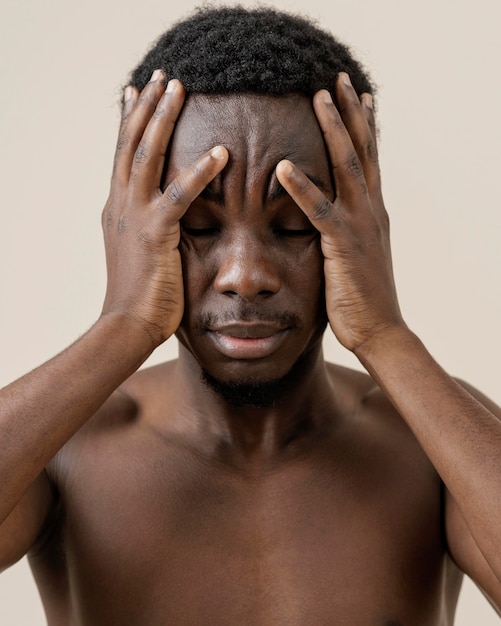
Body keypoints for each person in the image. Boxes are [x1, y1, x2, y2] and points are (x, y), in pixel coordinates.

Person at [1, 5, 500, 624]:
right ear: (133, 230)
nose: (246, 275)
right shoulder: (67, 447)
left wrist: (384, 335)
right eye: (199, 225)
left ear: (361, 230)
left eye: (295, 225)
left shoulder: (434, 443)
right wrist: (123, 323)